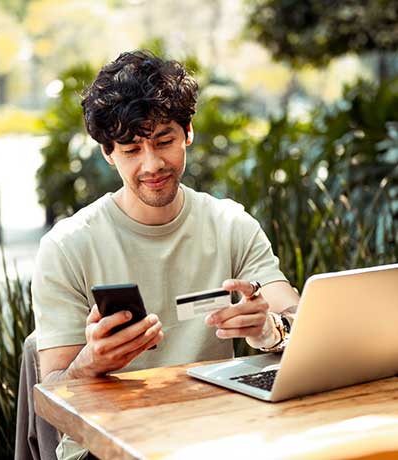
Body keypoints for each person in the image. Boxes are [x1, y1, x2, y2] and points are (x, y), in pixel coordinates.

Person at [32, 50, 300, 460]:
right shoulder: (67, 246)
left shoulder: (230, 225)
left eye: (164, 141)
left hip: (216, 432)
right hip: (108, 444)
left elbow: (300, 321)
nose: (152, 164)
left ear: (187, 133)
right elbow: (52, 389)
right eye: (131, 149)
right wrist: (91, 363)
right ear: (108, 152)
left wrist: (270, 328)